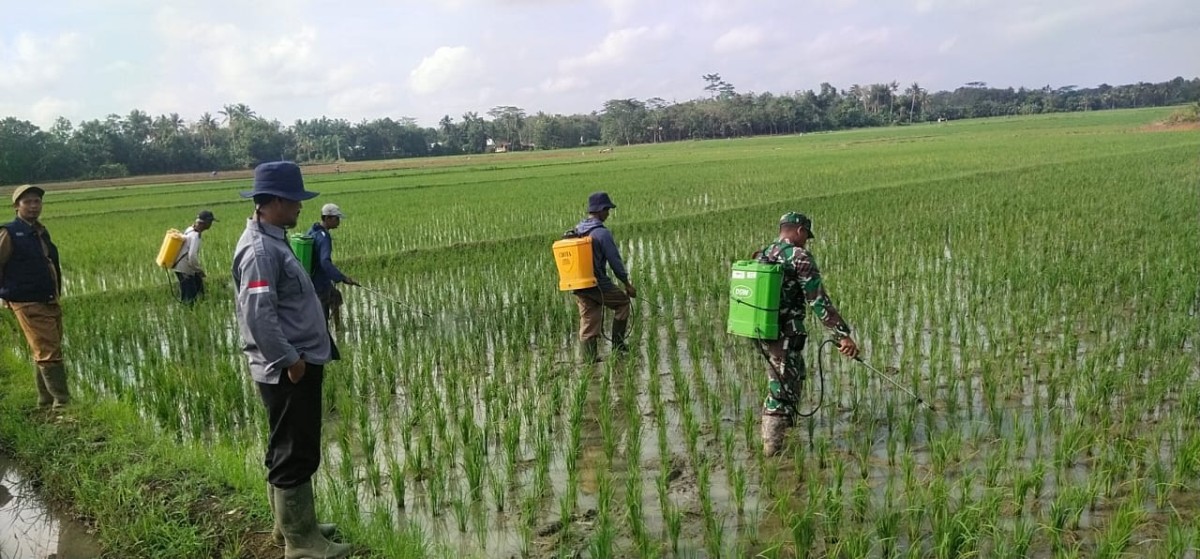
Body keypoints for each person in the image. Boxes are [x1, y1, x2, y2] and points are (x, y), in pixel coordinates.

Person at [232, 161, 348, 558]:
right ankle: (303, 545)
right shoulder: (261, 250)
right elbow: (259, 314)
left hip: (294, 363)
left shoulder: (274, 237)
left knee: (289, 445)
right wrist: (291, 360)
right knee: (295, 450)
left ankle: (294, 526)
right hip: (288, 369)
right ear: (276, 202)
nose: (301, 207)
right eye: (295, 200)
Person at [755, 212, 859, 456]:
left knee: (794, 375)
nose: (806, 242)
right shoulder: (799, 256)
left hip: (763, 331)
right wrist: (842, 334)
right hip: (784, 334)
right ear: (800, 231)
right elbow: (818, 301)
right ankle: (772, 453)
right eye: (806, 237)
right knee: (780, 389)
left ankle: (786, 437)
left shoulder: (765, 253)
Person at [0, 185, 70, 408]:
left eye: (36, 201)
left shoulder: (39, 230)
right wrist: (3, 295)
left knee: (47, 348)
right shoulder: (9, 232)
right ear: (16, 206)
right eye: (27, 202)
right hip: (27, 300)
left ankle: (45, 399)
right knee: (49, 349)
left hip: (48, 297)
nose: (33, 206)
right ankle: (63, 401)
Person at [570, 191, 637, 363]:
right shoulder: (601, 233)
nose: (608, 213)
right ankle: (618, 346)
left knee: (589, 318)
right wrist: (627, 284)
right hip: (597, 283)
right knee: (622, 303)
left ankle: (589, 361)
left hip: (579, 284)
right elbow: (615, 262)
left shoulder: (578, 229)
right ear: (600, 210)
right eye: (607, 209)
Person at [306, 203, 358, 328]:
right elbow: (324, 262)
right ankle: (324, 336)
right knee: (322, 316)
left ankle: (338, 329)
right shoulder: (324, 238)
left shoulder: (313, 230)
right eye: (337, 218)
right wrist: (342, 278)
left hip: (311, 280)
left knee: (336, 297)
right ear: (328, 218)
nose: (339, 221)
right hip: (319, 283)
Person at [172, 210, 217, 304]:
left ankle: (198, 310)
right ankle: (190, 315)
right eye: (210, 222)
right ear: (205, 223)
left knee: (196, 290)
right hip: (185, 269)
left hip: (180, 267)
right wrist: (199, 270)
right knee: (190, 299)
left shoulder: (190, 229)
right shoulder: (195, 236)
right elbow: (192, 256)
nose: (211, 224)